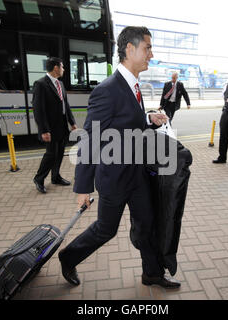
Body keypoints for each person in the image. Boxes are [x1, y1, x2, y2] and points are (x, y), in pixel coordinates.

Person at [58, 26, 181, 289]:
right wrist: (82, 187)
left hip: (136, 175)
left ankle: (152, 274)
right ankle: (68, 257)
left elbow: (126, 123)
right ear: (130, 49)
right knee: (106, 229)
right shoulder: (108, 89)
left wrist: (148, 118)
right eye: (147, 47)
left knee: (146, 225)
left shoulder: (134, 85)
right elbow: (90, 138)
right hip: (114, 178)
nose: (151, 53)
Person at [32, 57, 77, 193]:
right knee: (51, 154)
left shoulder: (60, 84)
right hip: (50, 128)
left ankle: (55, 177)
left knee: (59, 154)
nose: (64, 69)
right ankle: (39, 179)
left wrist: (72, 122)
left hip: (62, 126)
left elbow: (65, 105)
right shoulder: (40, 84)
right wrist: (44, 130)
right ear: (56, 68)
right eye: (62, 67)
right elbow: (38, 109)